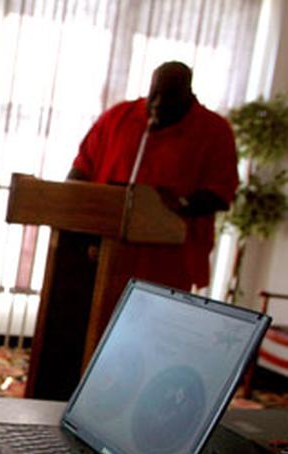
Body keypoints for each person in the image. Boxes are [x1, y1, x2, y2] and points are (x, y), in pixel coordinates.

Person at [68, 60, 238, 291]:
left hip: (165, 264)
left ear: (189, 95)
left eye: (168, 98)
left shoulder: (215, 131)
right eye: (153, 95)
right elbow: (81, 169)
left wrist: (178, 204)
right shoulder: (118, 117)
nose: (158, 104)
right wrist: (69, 200)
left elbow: (221, 193)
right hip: (100, 254)